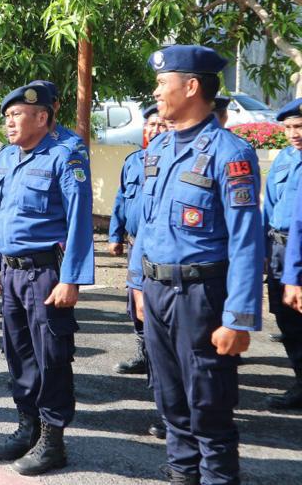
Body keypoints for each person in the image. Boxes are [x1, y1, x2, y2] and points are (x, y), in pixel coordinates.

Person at [128, 45, 263, 485]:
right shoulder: (157, 149)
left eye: (162, 84)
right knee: (170, 402)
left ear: (190, 86)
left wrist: (238, 318)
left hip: (202, 296)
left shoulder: (231, 153)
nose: (156, 91)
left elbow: (246, 241)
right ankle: (183, 474)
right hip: (158, 292)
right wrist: (138, 286)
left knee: (208, 404)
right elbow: (146, 225)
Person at [0, 83, 93, 476]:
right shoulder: (8, 157)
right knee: (18, 353)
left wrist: (73, 277)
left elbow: (80, 219)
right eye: (6, 116)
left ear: (42, 117)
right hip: (10, 272)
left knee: (52, 357)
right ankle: (27, 427)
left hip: (46, 272)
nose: (9, 122)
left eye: (17, 115)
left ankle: (52, 440)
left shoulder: (65, 155)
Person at [110, 105, 169, 376]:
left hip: (160, 249)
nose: (155, 129)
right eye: (151, 125)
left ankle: (163, 359)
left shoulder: (171, 161)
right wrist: (115, 234)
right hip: (135, 245)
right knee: (135, 304)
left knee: (160, 306)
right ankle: (145, 354)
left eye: (161, 125)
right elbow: (121, 199)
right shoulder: (133, 161)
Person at [266, 98, 302, 410]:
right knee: (284, 316)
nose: (293, 133)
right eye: (289, 127)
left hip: (299, 247)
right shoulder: (285, 159)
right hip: (278, 246)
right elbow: (269, 205)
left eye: (299, 126)